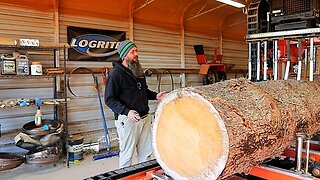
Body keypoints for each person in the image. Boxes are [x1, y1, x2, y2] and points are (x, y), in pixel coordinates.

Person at [104, 40, 166, 168]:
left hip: (144, 118)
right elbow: (109, 99)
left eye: (136, 51)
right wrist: (127, 111)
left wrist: (155, 96)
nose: (136, 54)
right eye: (132, 52)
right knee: (127, 155)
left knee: (146, 154)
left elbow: (143, 91)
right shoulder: (116, 74)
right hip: (128, 120)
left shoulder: (137, 71)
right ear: (124, 55)